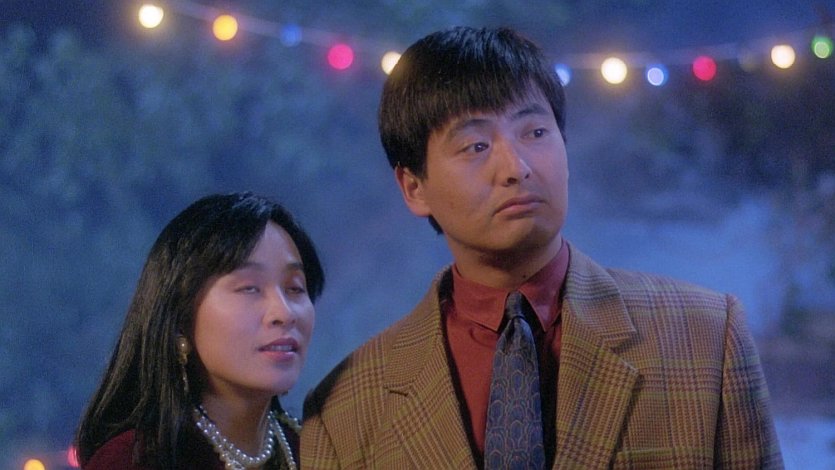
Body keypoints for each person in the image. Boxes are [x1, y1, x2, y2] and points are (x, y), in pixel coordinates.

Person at [301, 26, 783, 469]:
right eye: (476, 146)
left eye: (534, 132)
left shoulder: (705, 337)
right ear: (413, 187)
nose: (516, 167)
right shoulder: (346, 408)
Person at [75, 192, 324, 469]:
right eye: (250, 288)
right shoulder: (134, 460)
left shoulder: (320, 451)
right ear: (180, 319)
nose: (284, 313)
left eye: (295, 288)